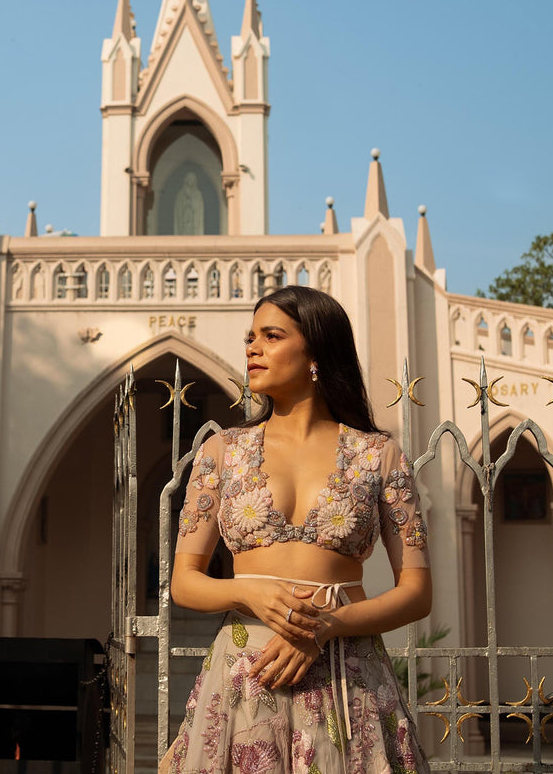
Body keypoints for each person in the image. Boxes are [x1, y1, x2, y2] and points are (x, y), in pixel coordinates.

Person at [162, 286, 431, 774]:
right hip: (248, 670)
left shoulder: (378, 455)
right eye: (251, 337)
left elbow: (416, 593)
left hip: (347, 675)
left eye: (272, 335)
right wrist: (249, 596)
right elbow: (184, 581)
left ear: (316, 353)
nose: (252, 348)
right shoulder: (222, 452)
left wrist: (327, 627)